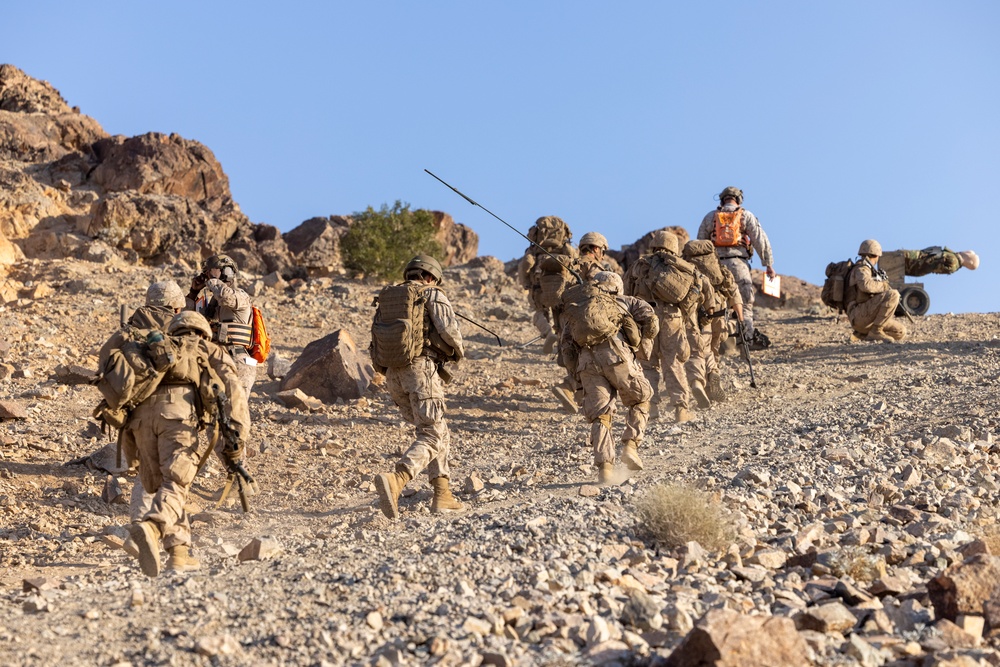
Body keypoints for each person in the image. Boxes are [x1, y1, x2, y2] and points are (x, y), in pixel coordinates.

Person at [126, 311, 249, 577]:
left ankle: (178, 555)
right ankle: (153, 526)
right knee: (176, 482)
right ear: (204, 331)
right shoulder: (209, 349)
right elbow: (234, 391)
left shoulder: (158, 350)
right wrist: (237, 439)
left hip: (140, 422)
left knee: (163, 485)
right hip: (178, 418)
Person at [374, 255, 465, 520]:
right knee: (433, 435)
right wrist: (458, 353)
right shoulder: (431, 293)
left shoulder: (390, 298)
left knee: (437, 430)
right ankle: (397, 479)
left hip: (393, 373)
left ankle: (442, 494)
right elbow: (450, 331)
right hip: (420, 370)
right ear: (431, 276)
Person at [560, 271, 655, 483]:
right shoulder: (625, 301)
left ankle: (605, 470)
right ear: (616, 287)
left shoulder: (577, 309)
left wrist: (577, 376)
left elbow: (566, 346)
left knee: (601, 414)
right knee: (642, 396)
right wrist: (642, 343)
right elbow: (650, 320)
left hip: (586, 362)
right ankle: (630, 446)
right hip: (616, 355)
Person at [624, 231, 706, 423]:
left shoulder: (639, 265)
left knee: (648, 364)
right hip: (672, 318)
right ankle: (680, 409)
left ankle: (651, 407)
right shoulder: (681, 268)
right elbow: (693, 299)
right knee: (673, 362)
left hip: (645, 318)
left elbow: (626, 293)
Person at [696, 187, 774, 350]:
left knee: (716, 303)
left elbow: (699, 246)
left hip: (715, 267)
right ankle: (746, 340)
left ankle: (718, 343)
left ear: (722, 199)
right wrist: (768, 265)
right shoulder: (746, 215)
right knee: (744, 303)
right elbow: (760, 240)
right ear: (738, 199)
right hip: (739, 265)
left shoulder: (710, 217)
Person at [681, 240, 744, 403]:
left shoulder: (684, 267)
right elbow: (733, 290)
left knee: (695, 349)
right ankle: (713, 374)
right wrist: (740, 316)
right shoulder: (719, 268)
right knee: (712, 348)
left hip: (696, 309)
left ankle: (696, 382)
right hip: (718, 309)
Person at [187, 254, 257, 399]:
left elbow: (226, 297)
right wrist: (193, 292)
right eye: (207, 272)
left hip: (238, 361)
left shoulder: (240, 296)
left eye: (212, 271)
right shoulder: (213, 303)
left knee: (235, 409)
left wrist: (213, 279)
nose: (207, 276)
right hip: (215, 358)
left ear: (227, 271)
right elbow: (185, 319)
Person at [517, 216, 577, 354]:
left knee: (540, 312)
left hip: (539, 284)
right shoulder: (565, 248)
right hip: (562, 285)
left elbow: (526, 263)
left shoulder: (535, 249)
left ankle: (548, 333)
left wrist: (526, 282)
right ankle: (563, 341)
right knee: (560, 312)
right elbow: (575, 264)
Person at [847, 239, 907, 343]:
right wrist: (883, 286)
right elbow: (865, 285)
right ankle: (875, 331)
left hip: (868, 316)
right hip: (859, 315)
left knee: (900, 332)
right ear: (875, 254)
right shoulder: (862, 268)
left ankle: (864, 334)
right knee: (893, 295)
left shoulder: (869, 270)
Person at [885, 247, 979, 277]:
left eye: (969, 253)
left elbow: (930, 260)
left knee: (892, 257)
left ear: (969, 261)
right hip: (916, 265)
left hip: (915, 260)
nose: (966, 251)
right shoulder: (954, 264)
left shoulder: (952, 260)